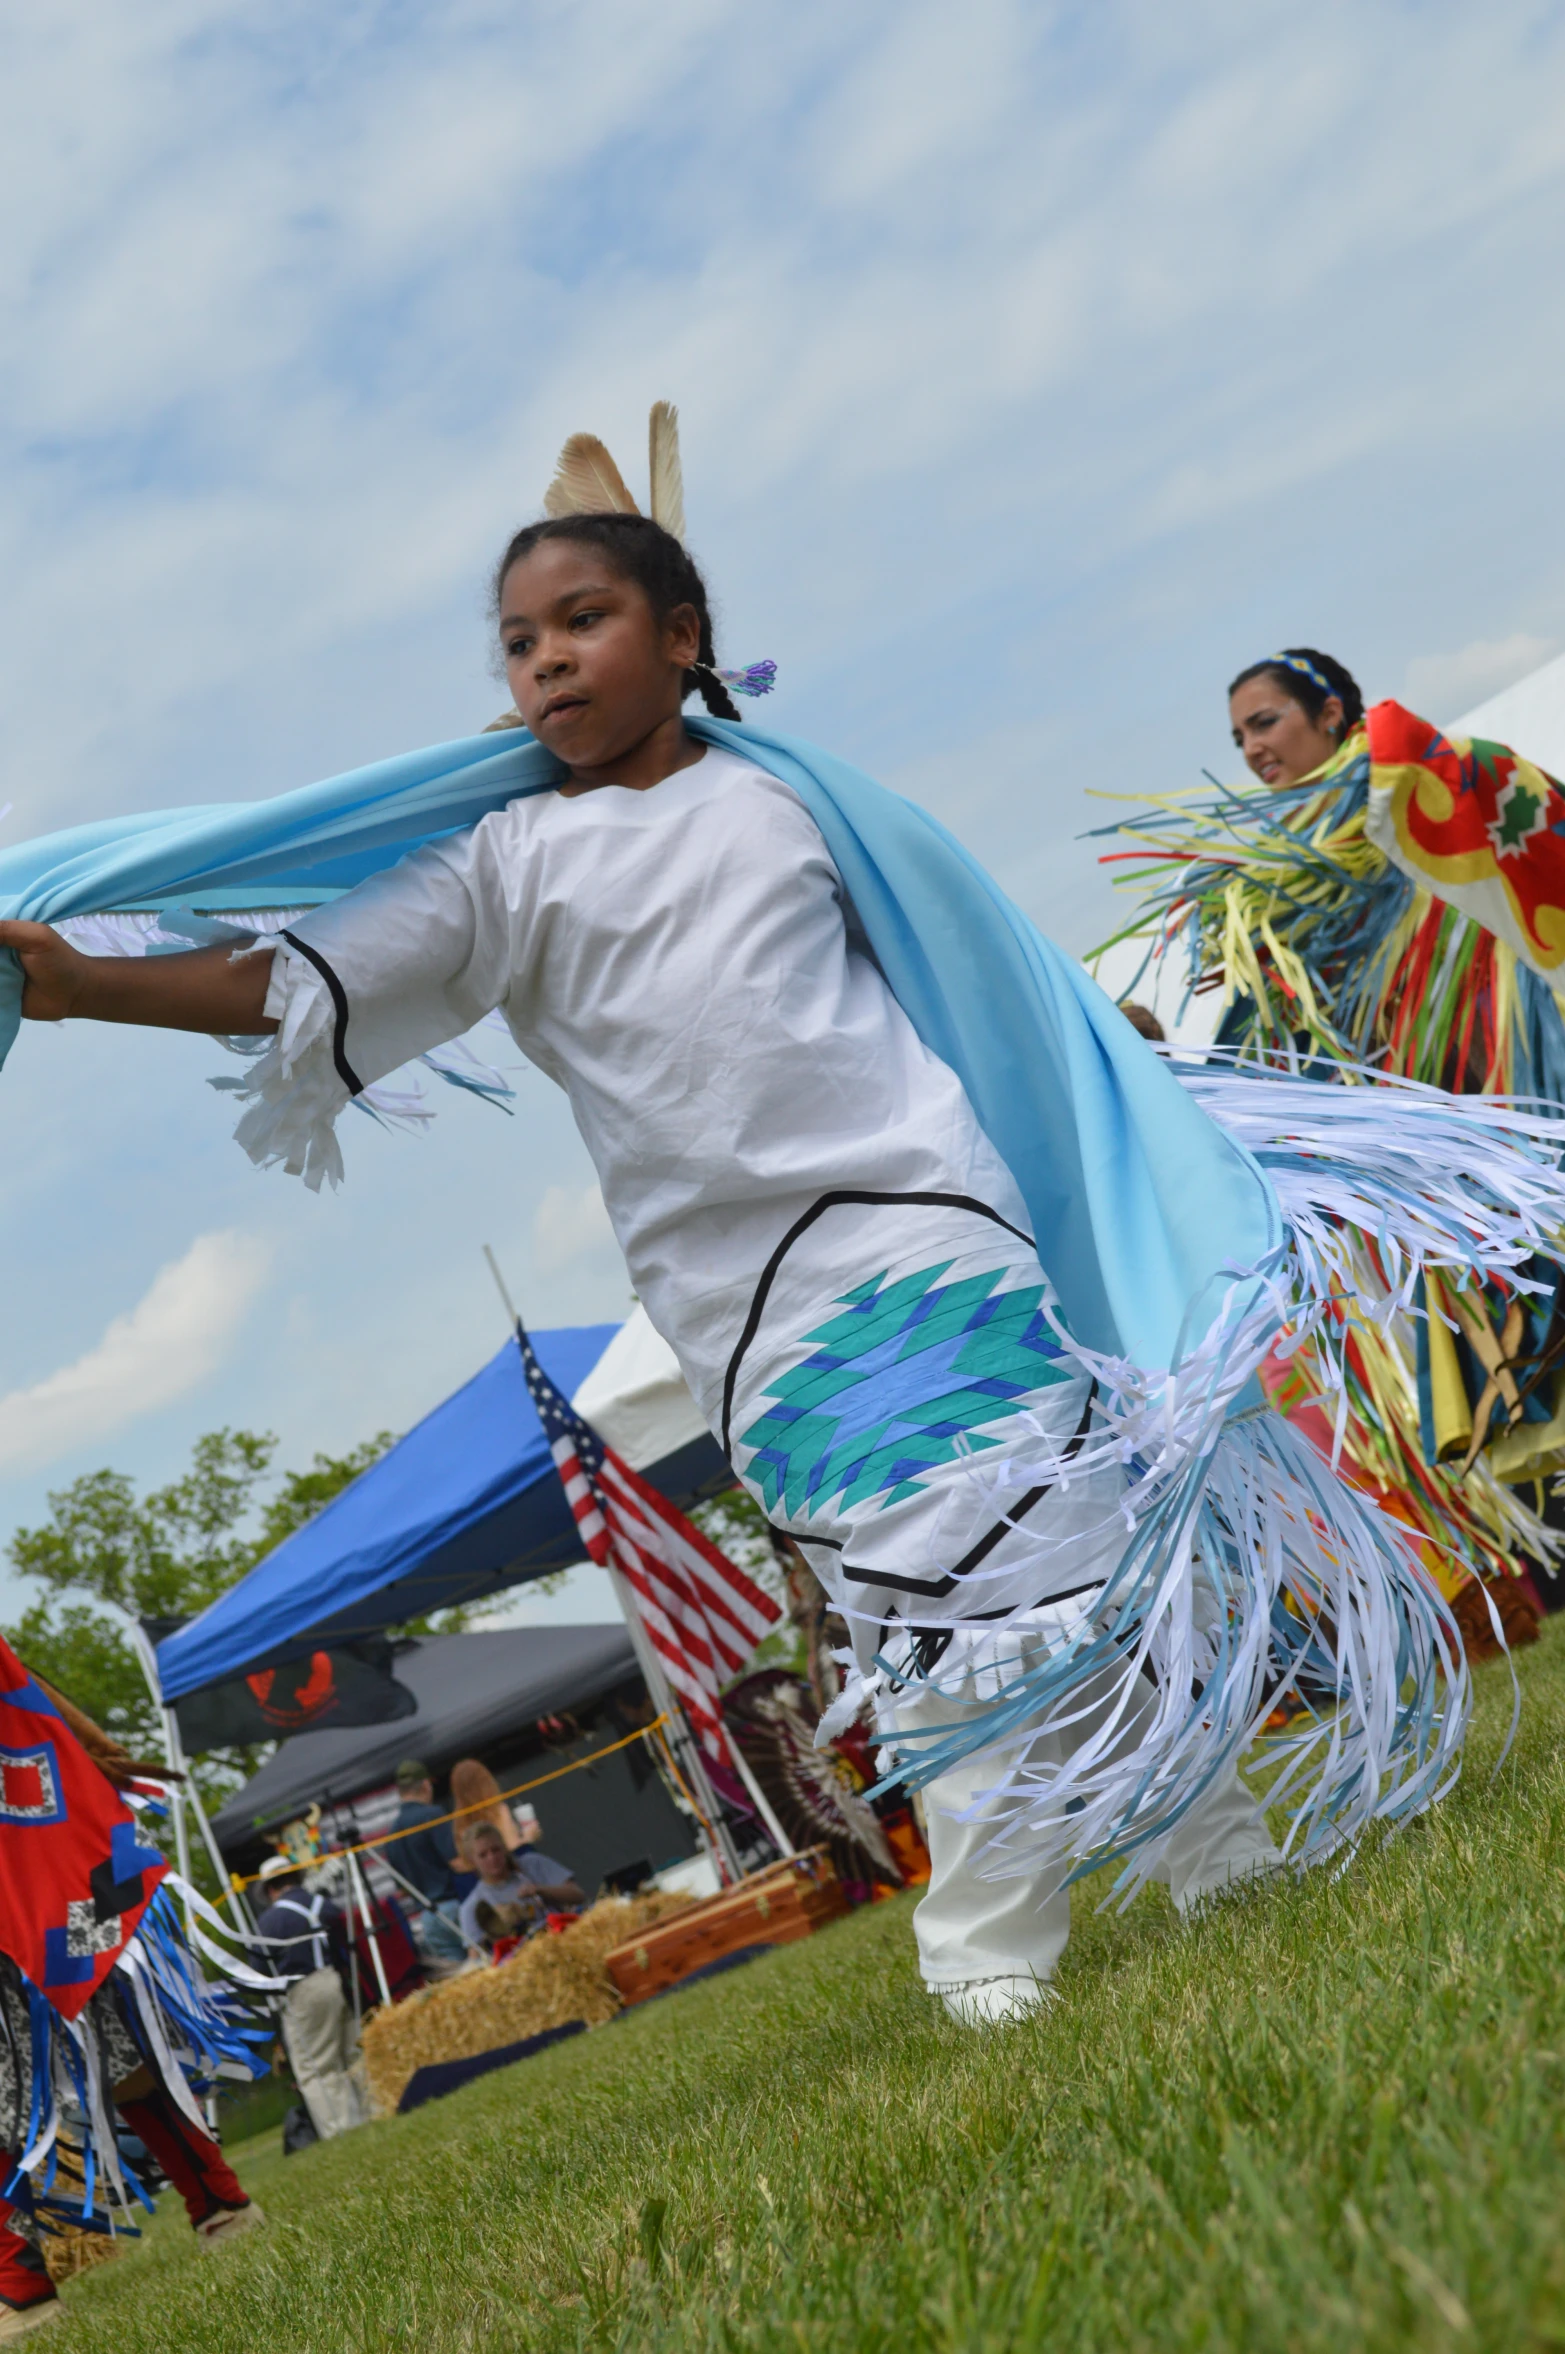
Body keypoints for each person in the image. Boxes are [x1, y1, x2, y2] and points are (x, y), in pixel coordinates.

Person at [2, 424, 1561, 2026]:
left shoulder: (801, 804)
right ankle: (1188, 1852)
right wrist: (72, 987)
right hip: (756, 1309)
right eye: (521, 641)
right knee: (948, 1585)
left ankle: (1001, 1942)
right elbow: (289, 982)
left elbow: (975, 973)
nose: (547, 659)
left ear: (682, 638)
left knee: (1019, 1543)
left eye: (584, 620)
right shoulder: (504, 867)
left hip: (931, 1221)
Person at [1097, 646, 1565, 1644]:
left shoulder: (1396, 796)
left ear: (1331, 713)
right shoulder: (1270, 897)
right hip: (1429, 1163)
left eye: (1264, 722)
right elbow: (1279, 1043)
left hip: (1504, 1084)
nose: (1250, 749)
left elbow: (1495, 818)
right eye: (1237, 737)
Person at [0, 1648, 265, 2337]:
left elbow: (14, 1675)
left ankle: (222, 2204)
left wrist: (89, 1744)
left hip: (36, 1858)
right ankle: (20, 2288)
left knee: (118, 2042)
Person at [252, 1857, 368, 2141]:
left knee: (316, 2067)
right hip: (338, 1980)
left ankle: (342, 2130)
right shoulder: (324, 1905)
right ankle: (371, 2110)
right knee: (351, 2053)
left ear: (270, 1889)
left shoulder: (269, 1921)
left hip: (303, 1990)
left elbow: (258, 1972)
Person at [456, 1823, 584, 1953]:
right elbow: (476, 1956)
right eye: (483, 1855)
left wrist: (540, 1890)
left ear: (505, 1848)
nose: (492, 1858)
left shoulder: (532, 1864)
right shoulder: (471, 1907)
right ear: (472, 1861)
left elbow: (578, 1895)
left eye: (496, 1850)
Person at [387, 1758, 466, 1966]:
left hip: (428, 1919)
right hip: (454, 1907)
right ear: (425, 1785)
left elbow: (402, 1890)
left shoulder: (392, 1832)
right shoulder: (432, 1814)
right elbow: (457, 1863)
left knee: (460, 1977)